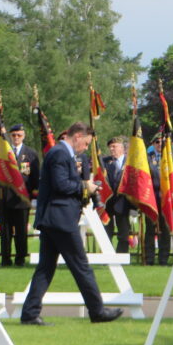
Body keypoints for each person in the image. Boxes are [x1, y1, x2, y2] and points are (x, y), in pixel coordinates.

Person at [20, 122, 123, 325]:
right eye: (85, 143)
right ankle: (97, 310)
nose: (85, 148)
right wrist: (86, 186)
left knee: (46, 268)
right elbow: (61, 185)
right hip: (60, 219)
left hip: (54, 218)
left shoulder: (61, 153)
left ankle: (30, 313)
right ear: (77, 137)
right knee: (81, 265)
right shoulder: (60, 153)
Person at [0, 124, 40, 266]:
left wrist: (34, 197)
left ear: (24, 136)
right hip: (5, 196)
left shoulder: (31, 154)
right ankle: (5, 259)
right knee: (5, 232)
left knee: (21, 232)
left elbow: (35, 177)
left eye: (19, 135)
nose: (16, 138)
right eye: (13, 135)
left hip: (22, 198)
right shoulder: (3, 151)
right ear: (10, 136)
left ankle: (20, 259)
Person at [145, 133, 173, 266]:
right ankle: (149, 258)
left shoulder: (170, 158)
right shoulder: (147, 159)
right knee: (150, 229)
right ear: (152, 144)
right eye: (156, 142)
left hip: (166, 198)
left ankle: (163, 258)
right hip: (151, 197)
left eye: (162, 142)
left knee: (166, 228)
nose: (159, 144)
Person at [103, 136, 133, 253]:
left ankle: (122, 256)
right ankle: (108, 255)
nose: (111, 149)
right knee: (107, 231)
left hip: (123, 202)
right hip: (108, 202)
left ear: (122, 148)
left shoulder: (130, 162)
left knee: (124, 232)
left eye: (114, 146)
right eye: (110, 147)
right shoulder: (105, 162)